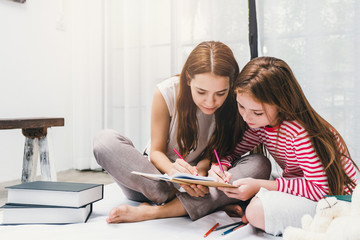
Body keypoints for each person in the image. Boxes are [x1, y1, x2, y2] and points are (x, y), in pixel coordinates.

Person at [93, 41, 271, 223]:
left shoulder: (236, 102)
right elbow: (156, 152)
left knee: (260, 164)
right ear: (188, 79)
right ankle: (202, 204)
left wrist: (200, 174)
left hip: (201, 185)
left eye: (220, 93)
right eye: (201, 92)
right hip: (157, 183)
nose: (210, 102)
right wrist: (175, 174)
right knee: (104, 141)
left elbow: (216, 154)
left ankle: (155, 212)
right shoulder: (166, 92)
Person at [217, 56, 359, 236]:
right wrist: (219, 166)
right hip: (308, 188)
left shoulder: (297, 131)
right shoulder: (261, 125)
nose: (246, 117)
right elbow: (232, 152)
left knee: (256, 210)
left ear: (280, 104)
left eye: (257, 112)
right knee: (246, 182)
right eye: (241, 106)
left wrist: (259, 185)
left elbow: (318, 188)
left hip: (337, 198)